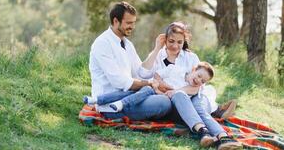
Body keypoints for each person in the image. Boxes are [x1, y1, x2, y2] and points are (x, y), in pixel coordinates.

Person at [139, 22, 242, 149]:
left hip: (194, 95)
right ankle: (210, 130)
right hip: (170, 101)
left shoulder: (190, 57)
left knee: (198, 107)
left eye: (179, 42)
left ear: (184, 42)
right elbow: (143, 73)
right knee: (182, 99)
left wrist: (176, 91)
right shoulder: (158, 55)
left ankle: (223, 137)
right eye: (171, 41)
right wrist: (156, 49)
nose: (175, 46)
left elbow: (198, 85)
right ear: (165, 39)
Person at [88, 1, 172, 120]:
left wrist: (157, 48)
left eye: (134, 23)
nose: (132, 27)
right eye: (128, 23)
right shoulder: (102, 43)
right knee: (164, 103)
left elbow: (140, 73)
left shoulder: (128, 44)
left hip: (130, 97)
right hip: (109, 105)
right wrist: (149, 84)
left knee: (166, 97)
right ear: (116, 21)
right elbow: (119, 81)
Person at [83, 62, 213, 112]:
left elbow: (170, 97)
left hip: (157, 95)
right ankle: (97, 100)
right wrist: (158, 84)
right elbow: (157, 74)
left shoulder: (188, 90)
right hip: (151, 87)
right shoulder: (176, 69)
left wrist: (160, 92)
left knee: (131, 94)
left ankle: (103, 101)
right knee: (129, 93)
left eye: (203, 81)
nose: (198, 80)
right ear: (194, 69)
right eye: (199, 75)